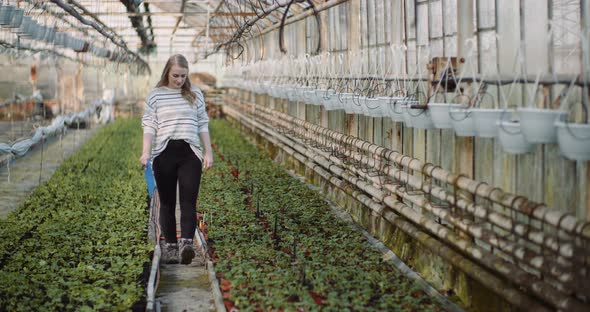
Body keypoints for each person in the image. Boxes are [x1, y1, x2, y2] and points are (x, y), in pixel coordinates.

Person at [140, 54, 213, 265]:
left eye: (183, 76)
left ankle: (187, 245)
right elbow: (149, 125)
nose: (179, 80)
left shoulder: (195, 94)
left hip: (190, 153)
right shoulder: (156, 96)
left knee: (188, 201)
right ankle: (171, 247)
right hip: (164, 153)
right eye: (175, 76)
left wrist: (208, 152)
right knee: (168, 203)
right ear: (167, 73)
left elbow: (202, 124)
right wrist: (146, 152)